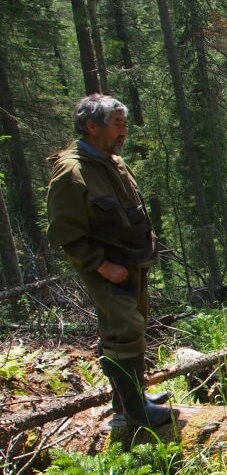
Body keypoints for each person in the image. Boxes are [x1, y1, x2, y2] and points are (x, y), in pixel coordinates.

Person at [46, 94, 174, 446]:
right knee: (124, 328)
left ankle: (128, 401)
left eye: (124, 124)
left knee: (132, 328)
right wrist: (101, 266)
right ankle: (135, 413)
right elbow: (64, 233)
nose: (124, 131)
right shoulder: (73, 172)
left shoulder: (112, 162)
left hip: (132, 263)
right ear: (91, 126)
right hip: (107, 268)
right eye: (117, 123)